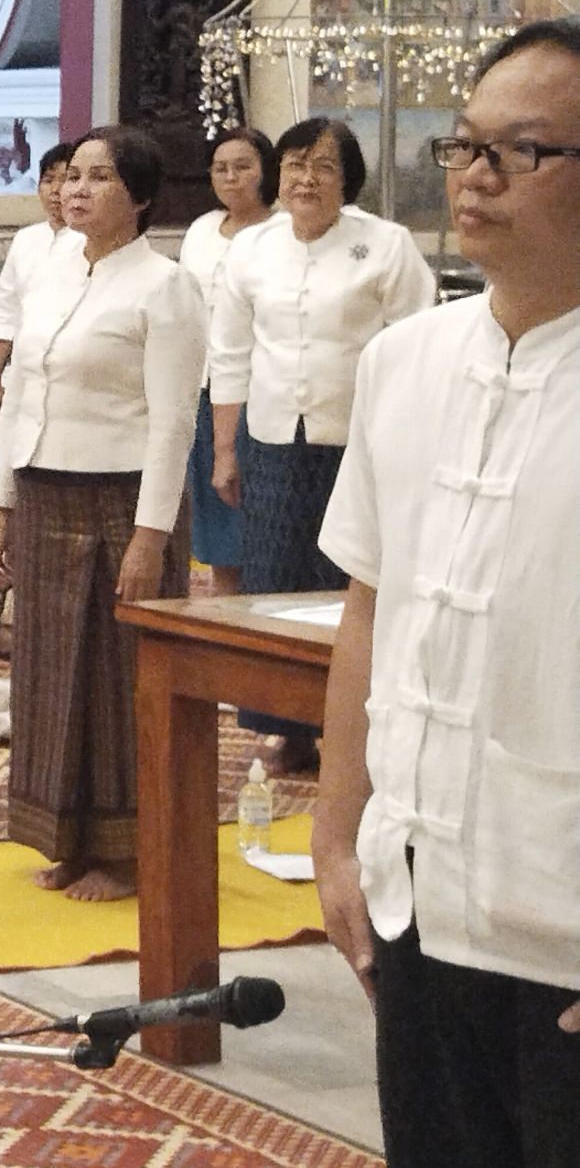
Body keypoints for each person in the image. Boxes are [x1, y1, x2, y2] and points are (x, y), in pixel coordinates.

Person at [313, 21, 580, 1168]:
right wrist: (335, 836)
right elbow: (370, 609)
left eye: (519, 152)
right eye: (461, 144)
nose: (472, 177)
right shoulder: (405, 362)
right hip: (419, 898)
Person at [0, 126, 201, 901]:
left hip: (122, 499)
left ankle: (129, 851)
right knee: (48, 672)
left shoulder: (164, 286)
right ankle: (67, 837)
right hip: (44, 493)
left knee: (116, 676)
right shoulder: (49, 275)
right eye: (72, 175)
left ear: (139, 197)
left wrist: (151, 536)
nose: (76, 189)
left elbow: (175, 420)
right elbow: (18, 402)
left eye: (99, 178)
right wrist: (0, 506)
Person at [208, 117, 434, 774]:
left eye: (325, 166)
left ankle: (360, 727)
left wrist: (406, 446)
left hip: (363, 440)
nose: (307, 178)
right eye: (296, 164)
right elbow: (229, 354)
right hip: (274, 438)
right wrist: (226, 450)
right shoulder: (251, 250)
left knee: (351, 581)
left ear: (348, 178)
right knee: (275, 578)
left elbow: (416, 351)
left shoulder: (386, 246)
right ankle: (287, 728)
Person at [176, 128, 275, 598]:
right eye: (221, 168)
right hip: (204, 386)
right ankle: (227, 604)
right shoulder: (200, 230)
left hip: (262, 389)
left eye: (243, 166)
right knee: (216, 509)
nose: (231, 176)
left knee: (260, 511)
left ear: (266, 170)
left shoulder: (284, 230)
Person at [0, 140, 74, 417]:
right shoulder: (26, 240)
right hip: (22, 374)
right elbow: (6, 310)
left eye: (66, 180)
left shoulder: (92, 241)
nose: (56, 191)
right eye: (48, 180)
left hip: (69, 377)